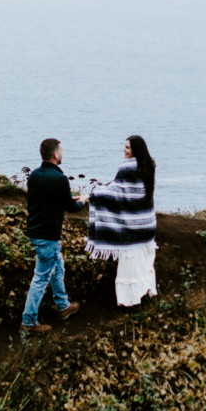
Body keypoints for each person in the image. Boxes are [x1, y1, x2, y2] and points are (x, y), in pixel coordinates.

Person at [21, 137, 86, 335]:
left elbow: (46, 200)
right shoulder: (59, 179)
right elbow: (72, 208)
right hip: (48, 236)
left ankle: (63, 306)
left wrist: (67, 197)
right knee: (41, 278)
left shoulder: (34, 176)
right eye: (62, 151)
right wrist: (82, 200)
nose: (63, 154)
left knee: (58, 267)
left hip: (36, 232)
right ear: (55, 155)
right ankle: (28, 322)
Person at [86, 135, 157, 308]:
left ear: (135, 150)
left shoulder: (127, 167)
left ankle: (130, 300)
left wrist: (93, 195)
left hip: (133, 227)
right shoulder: (149, 165)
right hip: (147, 223)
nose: (123, 150)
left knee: (130, 265)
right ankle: (147, 291)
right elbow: (131, 192)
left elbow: (116, 190)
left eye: (127, 148)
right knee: (143, 262)